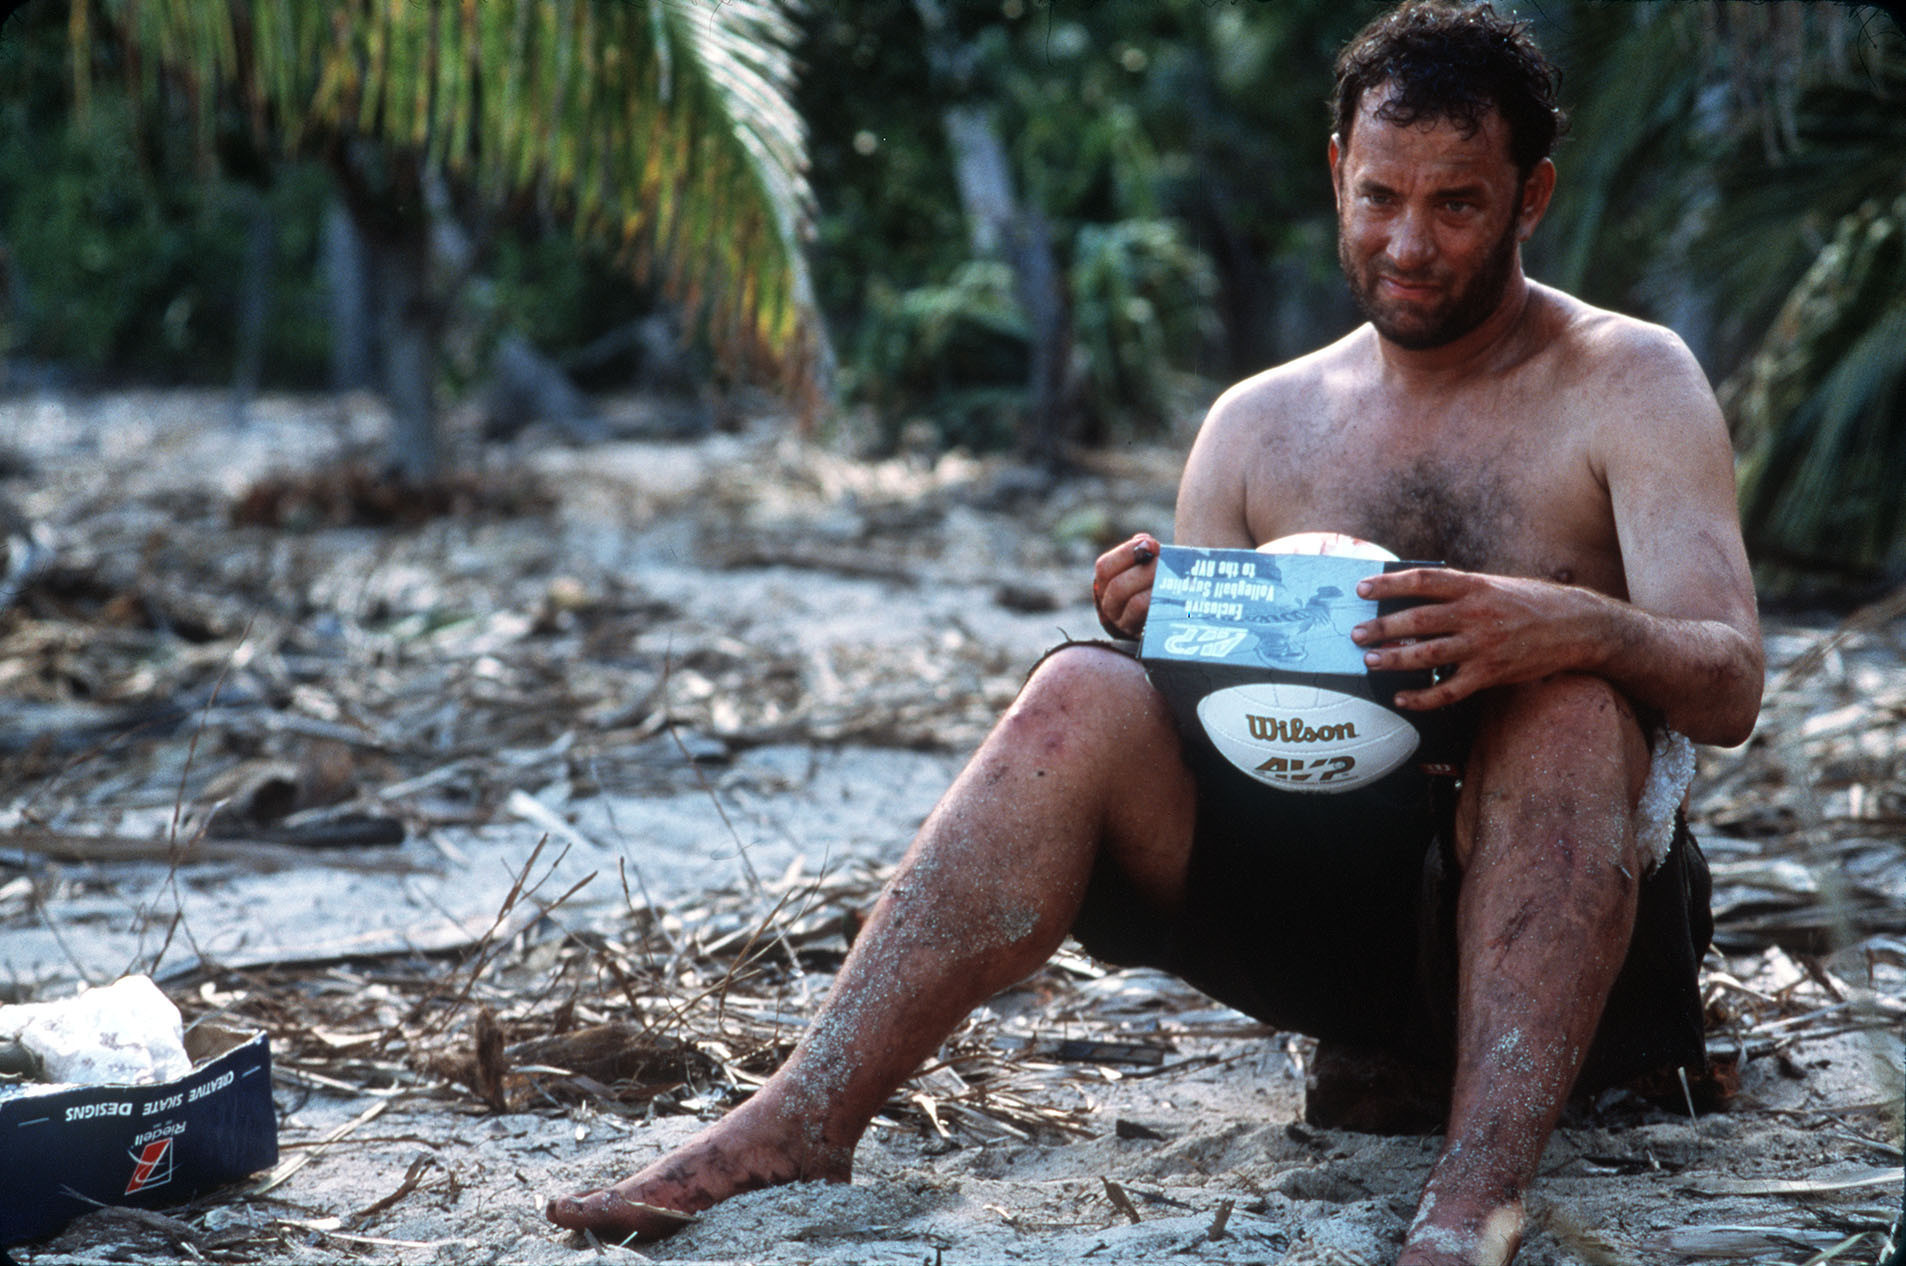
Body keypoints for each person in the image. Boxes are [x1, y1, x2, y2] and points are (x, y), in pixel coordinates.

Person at [546, 2, 1764, 1262]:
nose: (1409, 241)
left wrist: (1552, 627)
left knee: (1567, 707)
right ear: (1336, 172)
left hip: (1588, 959)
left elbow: (1728, 686)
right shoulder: (1257, 425)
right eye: (1381, 195)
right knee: (1080, 692)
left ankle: (1471, 1203)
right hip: (1333, 946)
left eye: (1457, 203)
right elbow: (1221, 738)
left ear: (1532, 196)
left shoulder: (1630, 380)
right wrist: (1161, 628)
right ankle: (802, 1114)